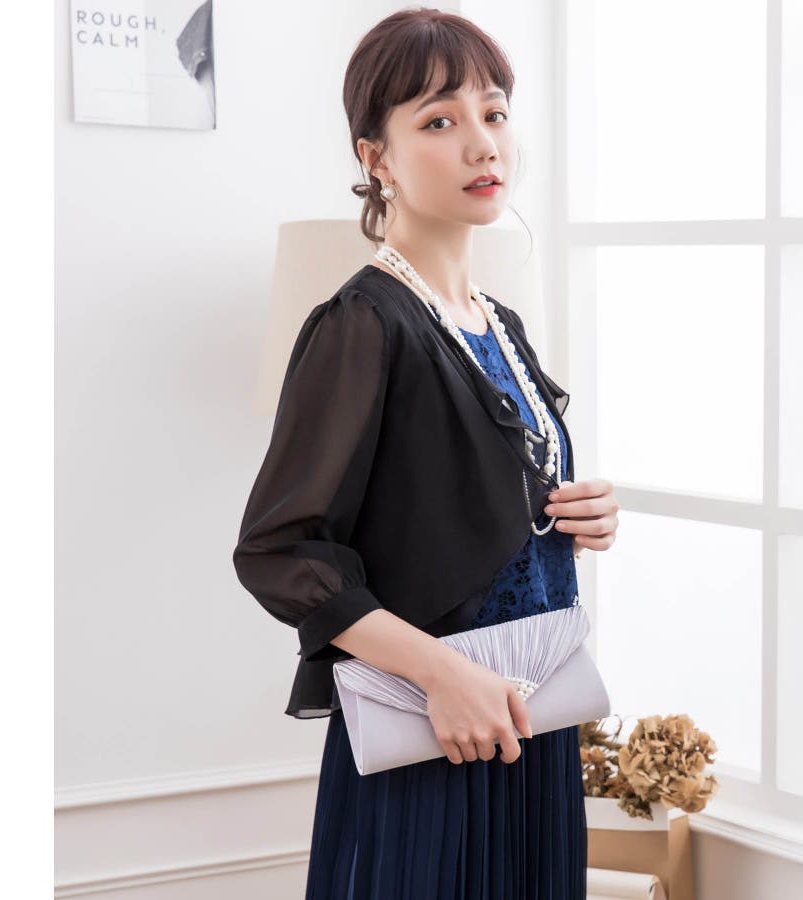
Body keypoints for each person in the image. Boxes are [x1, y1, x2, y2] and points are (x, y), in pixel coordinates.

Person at [232, 8, 619, 899]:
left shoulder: (499, 322)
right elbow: (279, 551)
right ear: (377, 158)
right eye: (439, 121)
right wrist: (445, 675)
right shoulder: (362, 323)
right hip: (435, 730)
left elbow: (472, 508)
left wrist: (580, 511)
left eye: (494, 112)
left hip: (533, 717)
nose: (483, 143)